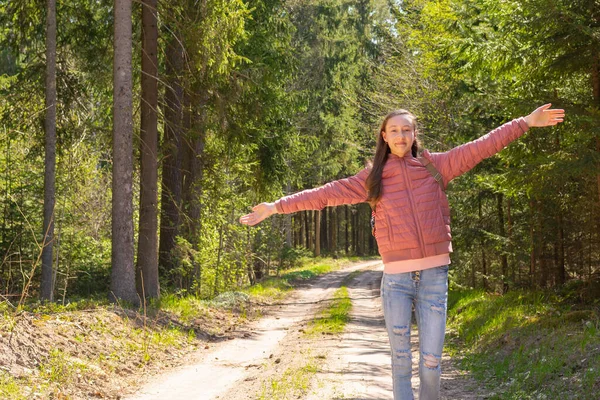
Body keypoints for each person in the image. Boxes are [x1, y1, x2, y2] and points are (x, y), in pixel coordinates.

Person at [239, 104, 565, 399]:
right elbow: (325, 194)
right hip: (395, 280)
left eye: (406, 129)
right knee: (400, 361)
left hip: (435, 277)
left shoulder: (437, 166)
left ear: (414, 134)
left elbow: (481, 147)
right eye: (394, 130)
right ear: (384, 136)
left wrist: (525, 122)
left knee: (432, 361)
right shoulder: (373, 178)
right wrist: (275, 207)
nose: (400, 135)